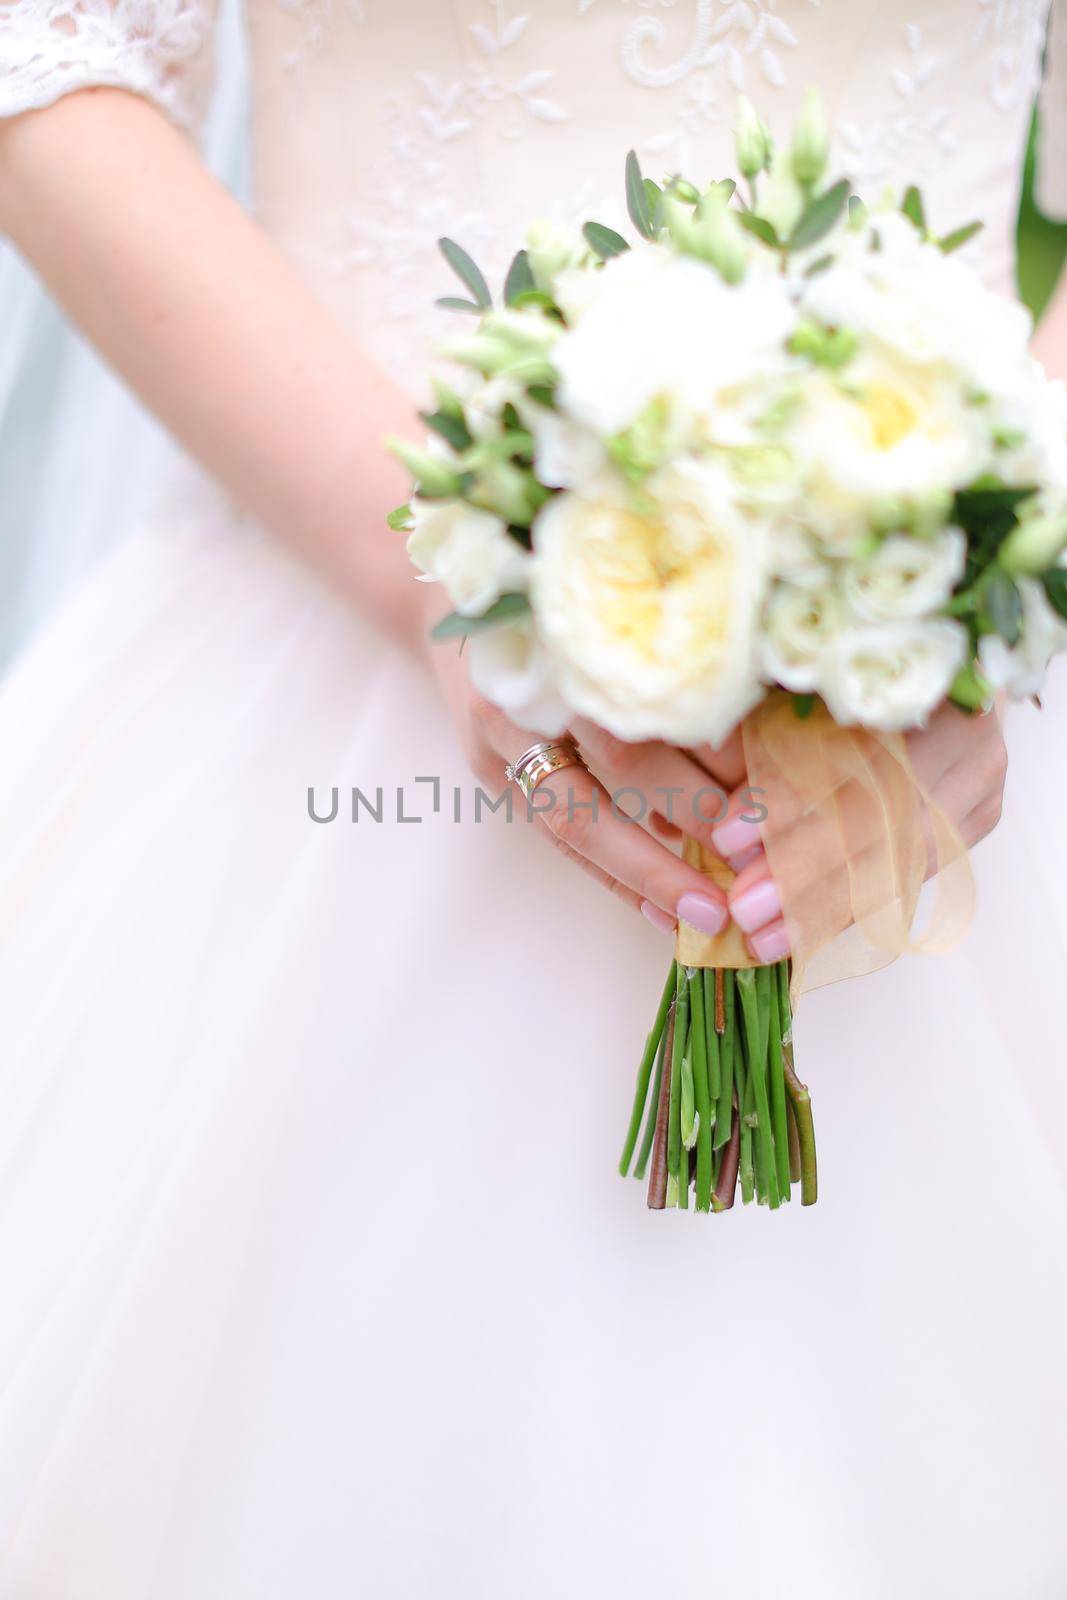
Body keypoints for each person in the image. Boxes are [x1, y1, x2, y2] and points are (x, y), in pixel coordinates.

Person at [0, 3, 1064, 1594]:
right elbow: (49, 57)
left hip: (956, 706)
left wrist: (994, 603)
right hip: (318, 686)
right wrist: (450, 567)